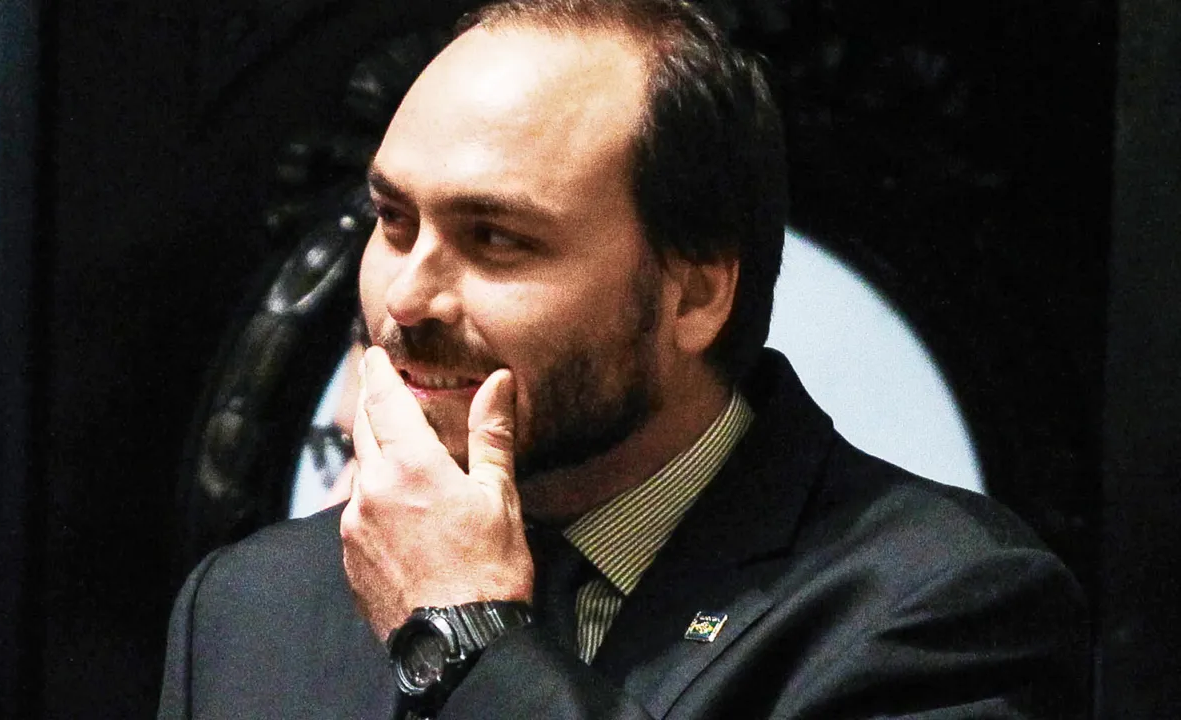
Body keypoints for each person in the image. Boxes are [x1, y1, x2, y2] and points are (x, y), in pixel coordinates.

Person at [158, 1, 1089, 718]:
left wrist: (465, 634)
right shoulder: (250, 607)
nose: (405, 299)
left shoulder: (941, 606)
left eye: (496, 240)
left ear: (695, 296)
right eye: (394, 221)